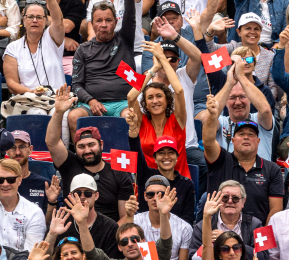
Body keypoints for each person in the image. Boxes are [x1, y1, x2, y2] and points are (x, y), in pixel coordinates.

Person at [69, 0, 137, 125]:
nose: (104, 25)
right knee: (73, 117)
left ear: (116, 22)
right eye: (99, 21)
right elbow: (76, 85)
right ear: (93, 23)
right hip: (90, 103)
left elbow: (130, 15)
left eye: (108, 20)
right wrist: (91, 101)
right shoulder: (83, 49)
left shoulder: (125, 39)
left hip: (122, 103)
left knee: (131, 118)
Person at [201, 92, 285, 226]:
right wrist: (212, 115)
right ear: (233, 140)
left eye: (251, 134)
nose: (246, 137)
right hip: (219, 233)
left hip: (257, 237)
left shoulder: (272, 169)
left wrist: (263, 238)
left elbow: (275, 210)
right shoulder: (220, 160)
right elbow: (208, 142)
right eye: (241, 134)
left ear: (258, 141)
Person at [45, 95, 133, 223]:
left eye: (91, 145)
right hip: (73, 235)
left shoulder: (119, 173)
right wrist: (59, 112)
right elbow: (51, 142)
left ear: (101, 144)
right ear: (75, 148)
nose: (87, 150)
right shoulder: (69, 164)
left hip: (107, 236)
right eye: (81, 146)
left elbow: (125, 217)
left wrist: (106, 237)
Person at [127, 42, 189, 179]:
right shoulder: (141, 121)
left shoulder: (178, 120)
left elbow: (178, 90)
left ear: (167, 101)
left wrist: (162, 58)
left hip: (179, 184)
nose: (155, 101)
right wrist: (154, 69)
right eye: (150, 98)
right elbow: (131, 97)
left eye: (159, 96)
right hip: (149, 185)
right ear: (145, 104)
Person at [127, 111, 195, 226]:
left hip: (176, 235)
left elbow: (187, 219)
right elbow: (136, 151)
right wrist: (133, 130)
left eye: (171, 153)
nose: (166, 157)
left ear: (177, 157)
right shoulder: (146, 175)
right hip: (146, 232)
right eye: (161, 153)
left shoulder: (187, 184)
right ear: (154, 158)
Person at [3, 0, 66, 95]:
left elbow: (58, 22)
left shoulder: (52, 38)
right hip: (27, 99)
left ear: (46, 21)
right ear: (23, 21)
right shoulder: (13, 48)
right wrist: (32, 92)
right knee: (36, 112)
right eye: (30, 17)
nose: (35, 20)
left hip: (56, 100)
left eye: (39, 17)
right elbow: (11, 84)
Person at [130, 175, 191, 260]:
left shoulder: (184, 227)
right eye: (150, 194)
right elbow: (120, 239)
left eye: (161, 194)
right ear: (145, 196)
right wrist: (128, 215)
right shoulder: (135, 221)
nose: (155, 198)